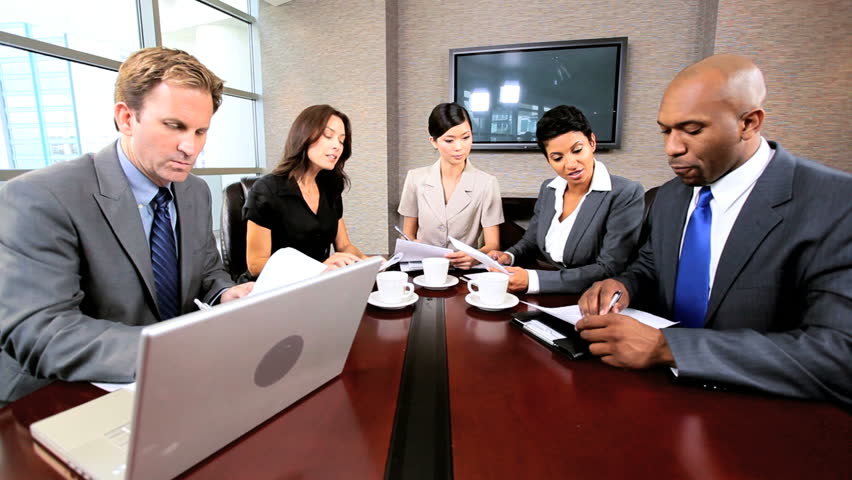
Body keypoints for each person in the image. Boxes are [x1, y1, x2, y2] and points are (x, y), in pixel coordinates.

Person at [576, 54, 851, 406]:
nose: (672, 148)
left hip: (760, 415)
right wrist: (622, 285)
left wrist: (668, 349)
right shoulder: (670, 195)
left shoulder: (837, 203)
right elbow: (650, 267)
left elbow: (840, 356)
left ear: (749, 123)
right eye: (665, 130)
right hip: (652, 398)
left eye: (692, 130)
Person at [0, 47, 253, 405]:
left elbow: (208, 271)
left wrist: (225, 294)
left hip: (169, 387)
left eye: (201, 131)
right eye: (174, 126)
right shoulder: (39, 196)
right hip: (58, 401)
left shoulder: (194, 191)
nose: (190, 147)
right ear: (126, 118)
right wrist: (172, 350)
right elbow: (42, 332)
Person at [487, 105, 644, 294]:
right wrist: (508, 256)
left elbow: (609, 268)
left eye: (577, 150)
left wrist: (534, 281)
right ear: (548, 160)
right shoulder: (549, 189)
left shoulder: (625, 193)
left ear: (592, 142)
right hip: (548, 295)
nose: (570, 164)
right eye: (557, 157)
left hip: (592, 297)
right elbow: (531, 242)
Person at [243, 105, 367, 277]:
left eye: (341, 140)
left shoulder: (330, 188)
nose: (337, 146)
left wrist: (369, 262)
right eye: (328, 136)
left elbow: (344, 245)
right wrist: (317, 268)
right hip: (275, 289)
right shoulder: (267, 190)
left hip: (317, 283)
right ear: (304, 136)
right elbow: (256, 264)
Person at [398, 103, 504, 269]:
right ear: (433, 141)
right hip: (423, 269)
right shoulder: (415, 178)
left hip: (463, 272)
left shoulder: (487, 183)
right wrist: (414, 244)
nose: (459, 147)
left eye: (466, 137)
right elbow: (408, 234)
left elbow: (493, 245)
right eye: (449, 140)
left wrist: (475, 257)